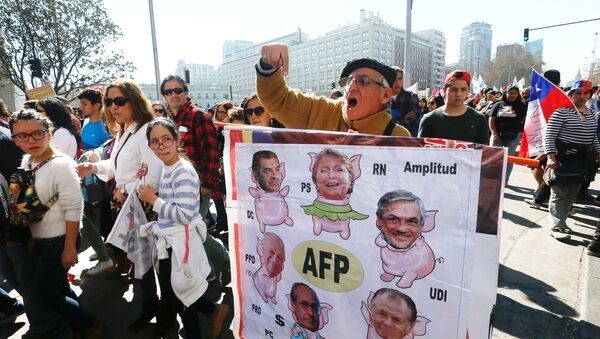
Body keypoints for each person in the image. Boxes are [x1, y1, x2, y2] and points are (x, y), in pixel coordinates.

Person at [9, 109, 104, 338]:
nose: (30, 140)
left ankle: (90, 323)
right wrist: (32, 237)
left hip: (60, 239)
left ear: (49, 133)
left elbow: (74, 208)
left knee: (45, 294)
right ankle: (80, 325)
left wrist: (70, 248)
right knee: (58, 287)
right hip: (39, 239)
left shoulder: (62, 165)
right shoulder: (28, 160)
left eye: (37, 134)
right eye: (21, 136)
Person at [76, 79, 163, 330]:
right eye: (109, 101)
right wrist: (93, 167)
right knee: (139, 259)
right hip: (125, 203)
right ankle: (153, 304)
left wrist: (125, 190)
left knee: (150, 261)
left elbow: (152, 176)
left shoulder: (147, 130)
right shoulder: (125, 129)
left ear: (134, 100)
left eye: (119, 100)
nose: (113, 106)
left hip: (141, 206)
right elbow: (116, 167)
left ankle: (158, 308)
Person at [137, 118, 228, 338]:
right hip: (171, 241)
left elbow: (186, 215)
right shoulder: (168, 167)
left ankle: (205, 321)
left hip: (180, 243)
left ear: (177, 139)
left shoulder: (183, 171)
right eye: (155, 141)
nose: (161, 145)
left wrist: (154, 200)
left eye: (166, 139)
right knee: (178, 292)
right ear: (149, 145)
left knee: (180, 293)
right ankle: (214, 311)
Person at [256, 43, 410, 136]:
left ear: (385, 95)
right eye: (348, 81)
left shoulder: (398, 137)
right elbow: (278, 100)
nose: (351, 86)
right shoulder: (321, 111)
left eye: (363, 81)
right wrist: (268, 64)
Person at [544, 80, 600, 241]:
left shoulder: (591, 114)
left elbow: (593, 138)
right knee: (559, 193)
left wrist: (598, 154)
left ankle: (562, 220)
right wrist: (550, 156)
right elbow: (550, 136)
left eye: (586, 93)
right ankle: (557, 225)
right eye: (578, 93)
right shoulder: (561, 112)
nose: (582, 96)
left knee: (573, 192)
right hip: (563, 159)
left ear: (590, 94)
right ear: (571, 94)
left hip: (582, 161)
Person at [160, 74, 219, 223]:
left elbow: (211, 151)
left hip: (197, 186)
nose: (173, 95)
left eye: (177, 90)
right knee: (188, 231)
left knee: (190, 229)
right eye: (168, 92)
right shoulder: (170, 120)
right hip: (175, 184)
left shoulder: (199, 116)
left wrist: (206, 185)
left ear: (186, 92)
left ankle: (220, 248)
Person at [77, 87, 116, 276]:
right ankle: (103, 247)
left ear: (97, 104)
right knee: (94, 214)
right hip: (89, 177)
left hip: (106, 176)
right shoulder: (84, 123)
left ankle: (113, 251)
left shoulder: (108, 124)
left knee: (106, 212)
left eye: (85, 103)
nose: (81, 107)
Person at [418, 70, 489, 144]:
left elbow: (484, 152)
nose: (459, 94)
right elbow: (421, 152)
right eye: (454, 89)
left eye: (463, 89)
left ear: (468, 91)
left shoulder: (479, 119)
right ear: (445, 90)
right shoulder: (429, 119)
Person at [489, 86, 527, 182]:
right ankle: (491, 178)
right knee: (493, 157)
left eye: (515, 93)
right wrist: (494, 134)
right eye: (510, 93)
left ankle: (504, 180)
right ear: (506, 93)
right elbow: (491, 119)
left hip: (513, 136)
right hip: (497, 135)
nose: (513, 95)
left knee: (508, 158)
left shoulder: (522, 106)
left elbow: (525, 120)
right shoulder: (498, 105)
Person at [390, 67, 422, 136]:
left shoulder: (412, 97)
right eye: (393, 79)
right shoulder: (382, 98)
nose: (397, 82)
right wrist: (403, 120)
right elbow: (379, 122)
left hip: (406, 141)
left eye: (400, 78)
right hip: (384, 142)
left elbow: (413, 121)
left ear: (403, 79)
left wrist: (390, 127)